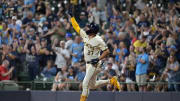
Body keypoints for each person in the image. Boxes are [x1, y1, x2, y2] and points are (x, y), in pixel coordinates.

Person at [69, 10, 120, 101]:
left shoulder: (98, 40)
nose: (87, 28)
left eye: (89, 27)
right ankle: (112, 81)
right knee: (92, 85)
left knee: (85, 83)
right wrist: (72, 17)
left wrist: (98, 58)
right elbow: (76, 27)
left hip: (95, 63)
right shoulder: (85, 35)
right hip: (88, 63)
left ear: (93, 30)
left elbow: (107, 51)